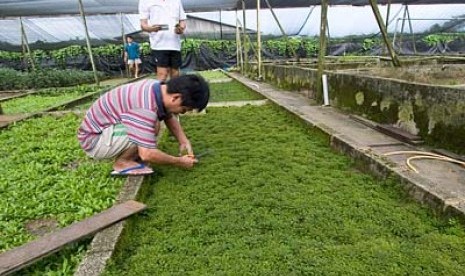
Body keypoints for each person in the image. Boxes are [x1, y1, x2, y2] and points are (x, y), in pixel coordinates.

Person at [77, 74, 210, 176]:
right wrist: (179, 161)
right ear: (175, 97)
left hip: (108, 127)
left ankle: (131, 156)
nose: (183, 112)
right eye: (184, 109)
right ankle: (122, 163)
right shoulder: (145, 108)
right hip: (95, 140)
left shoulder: (157, 87)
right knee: (151, 126)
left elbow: (167, 114)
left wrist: (183, 140)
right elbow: (148, 154)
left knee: (153, 124)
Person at [139, 0, 187, 82]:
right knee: (162, 74)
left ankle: (174, 93)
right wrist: (151, 29)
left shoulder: (176, 1)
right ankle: (160, 93)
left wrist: (181, 29)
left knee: (175, 74)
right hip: (158, 44)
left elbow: (182, 20)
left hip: (174, 44)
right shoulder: (145, 1)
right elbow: (143, 24)